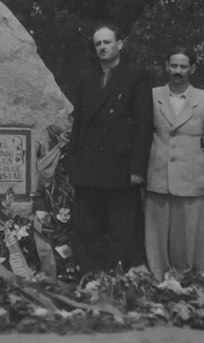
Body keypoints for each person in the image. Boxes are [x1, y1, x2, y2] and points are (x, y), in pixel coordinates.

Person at [65, 23, 154, 273]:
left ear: (120, 44)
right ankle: (91, 275)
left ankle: (121, 276)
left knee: (122, 227)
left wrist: (138, 167)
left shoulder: (136, 76)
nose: (103, 47)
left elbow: (144, 125)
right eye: (98, 44)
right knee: (87, 227)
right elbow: (79, 124)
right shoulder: (86, 77)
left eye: (107, 42)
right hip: (89, 168)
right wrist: (74, 163)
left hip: (121, 167)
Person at [145, 47, 204, 280]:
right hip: (157, 177)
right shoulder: (151, 95)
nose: (178, 71)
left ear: (192, 68)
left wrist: (194, 166)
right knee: (156, 236)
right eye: (173, 66)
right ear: (166, 66)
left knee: (186, 237)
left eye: (183, 66)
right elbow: (142, 136)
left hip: (190, 180)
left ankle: (185, 280)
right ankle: (157, 280)